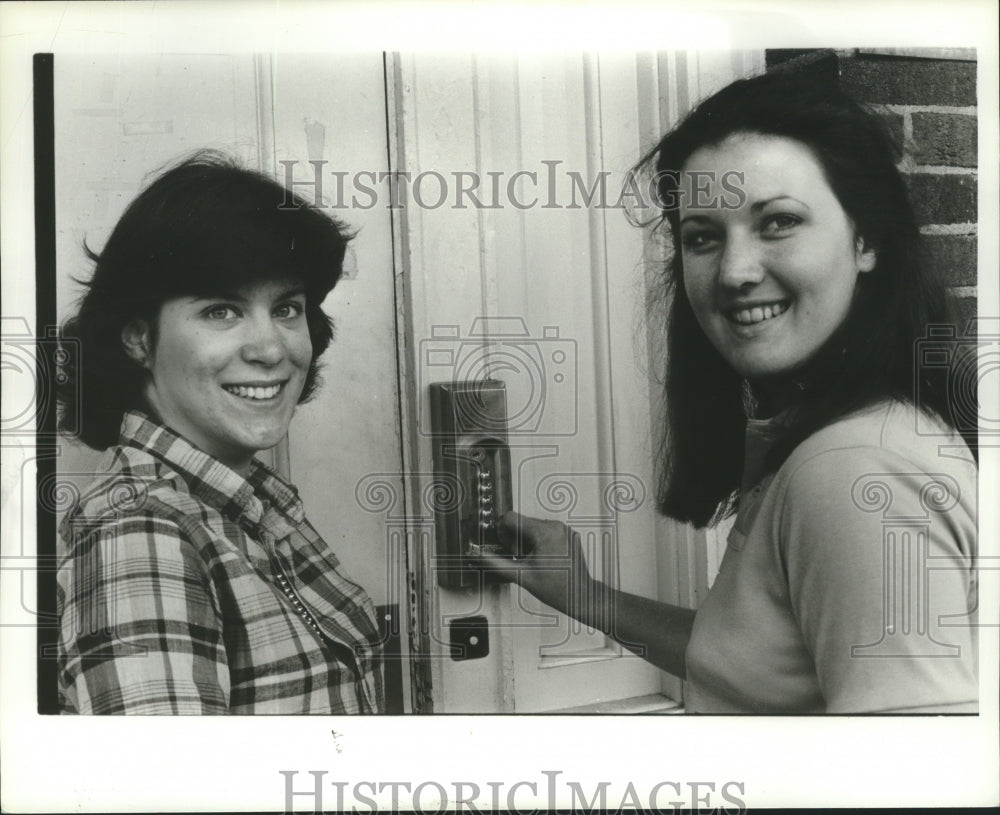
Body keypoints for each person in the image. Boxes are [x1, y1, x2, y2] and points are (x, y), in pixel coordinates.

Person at [481, 71, 979, 714]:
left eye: (778, 222)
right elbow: (762, 667)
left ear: (867, 241)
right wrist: (587, 597)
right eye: (703, 236)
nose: (735, 272)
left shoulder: (852, 469)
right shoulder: (846, 431)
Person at [55, 152, 384, 714]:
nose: (272, 349)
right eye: (220, 312)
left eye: (286, 308)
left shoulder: (246, 500)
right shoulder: (142, 535)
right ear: (137, 338)